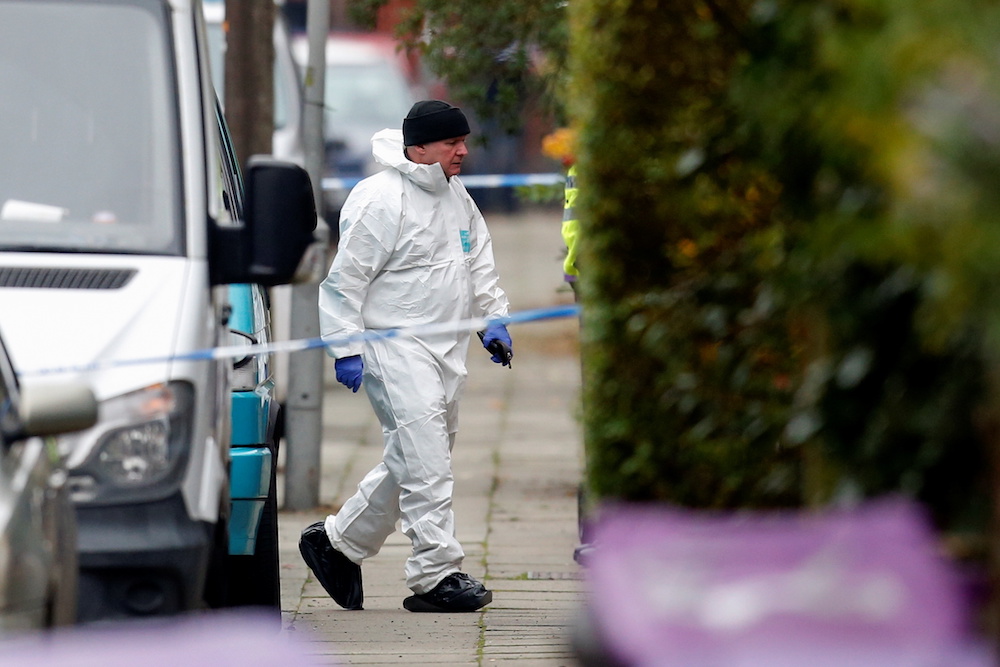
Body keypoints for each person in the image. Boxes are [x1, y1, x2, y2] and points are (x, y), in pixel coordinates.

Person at [299, 100, 513, 613]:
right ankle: (436, 573)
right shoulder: (379, 199)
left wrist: (492, 317)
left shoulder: (457, 196)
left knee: (416, 458)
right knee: (428, 461)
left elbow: (476, 260)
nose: (462, 151)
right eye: (450, 143)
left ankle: (338, 544)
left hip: (446, 348)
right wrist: (347, 348)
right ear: (418, 148)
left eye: (463, 142)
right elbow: (344, 282)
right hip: (392, 346)